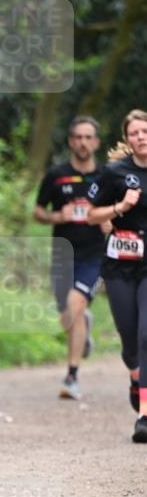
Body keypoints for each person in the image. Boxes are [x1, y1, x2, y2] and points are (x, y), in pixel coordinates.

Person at [34, 116, 105, 401]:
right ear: (70, 141)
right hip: (63, 253)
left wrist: (107, 221)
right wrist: (56, 215)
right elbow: (38, 211)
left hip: (94, 255)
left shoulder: (106, 177)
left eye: (88, 137)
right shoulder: (56, 175)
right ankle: (83, 327)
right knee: (69, 316)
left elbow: (120, 211)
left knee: (75, 303)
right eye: (78, 137)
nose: (83, 142)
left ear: (96, 142)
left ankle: (72, 375)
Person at [87, 109, 147, 444]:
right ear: (128, 138)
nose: (141, 137)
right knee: (129, 342)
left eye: (145, 131)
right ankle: (136, 378)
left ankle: (144, 414)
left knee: (146, 335)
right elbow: (91, 213)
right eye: (135, 132)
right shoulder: (114, 173)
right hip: (121, 263)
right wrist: (120, 208)